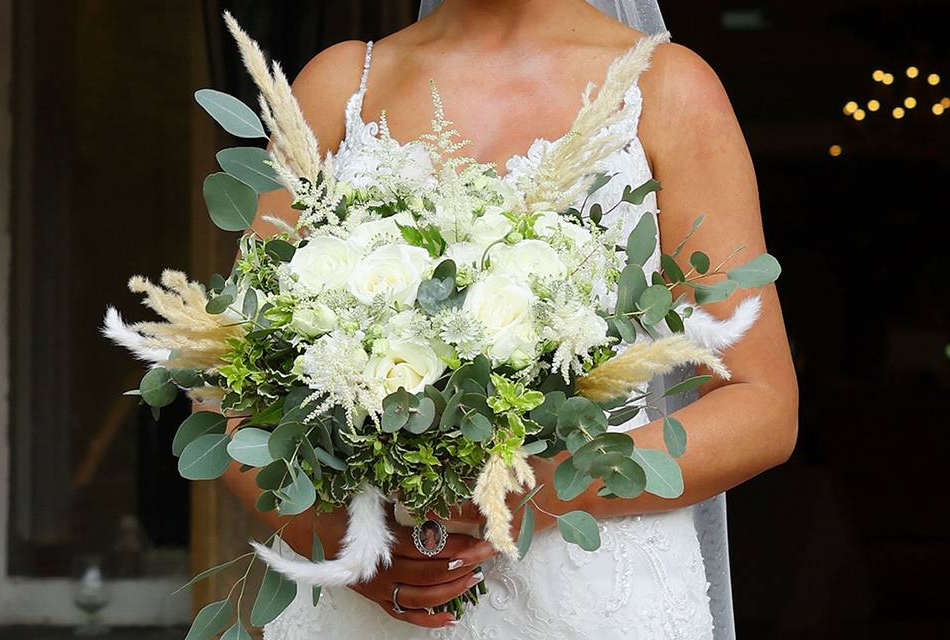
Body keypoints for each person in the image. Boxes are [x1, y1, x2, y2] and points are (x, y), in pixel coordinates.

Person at [220, 1, 798, 637]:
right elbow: (226, 388)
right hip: (376, 598)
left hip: (589, 589)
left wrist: (552, 487)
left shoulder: (666, 86)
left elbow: (763, 405)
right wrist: (341, 539)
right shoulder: (342, 84)